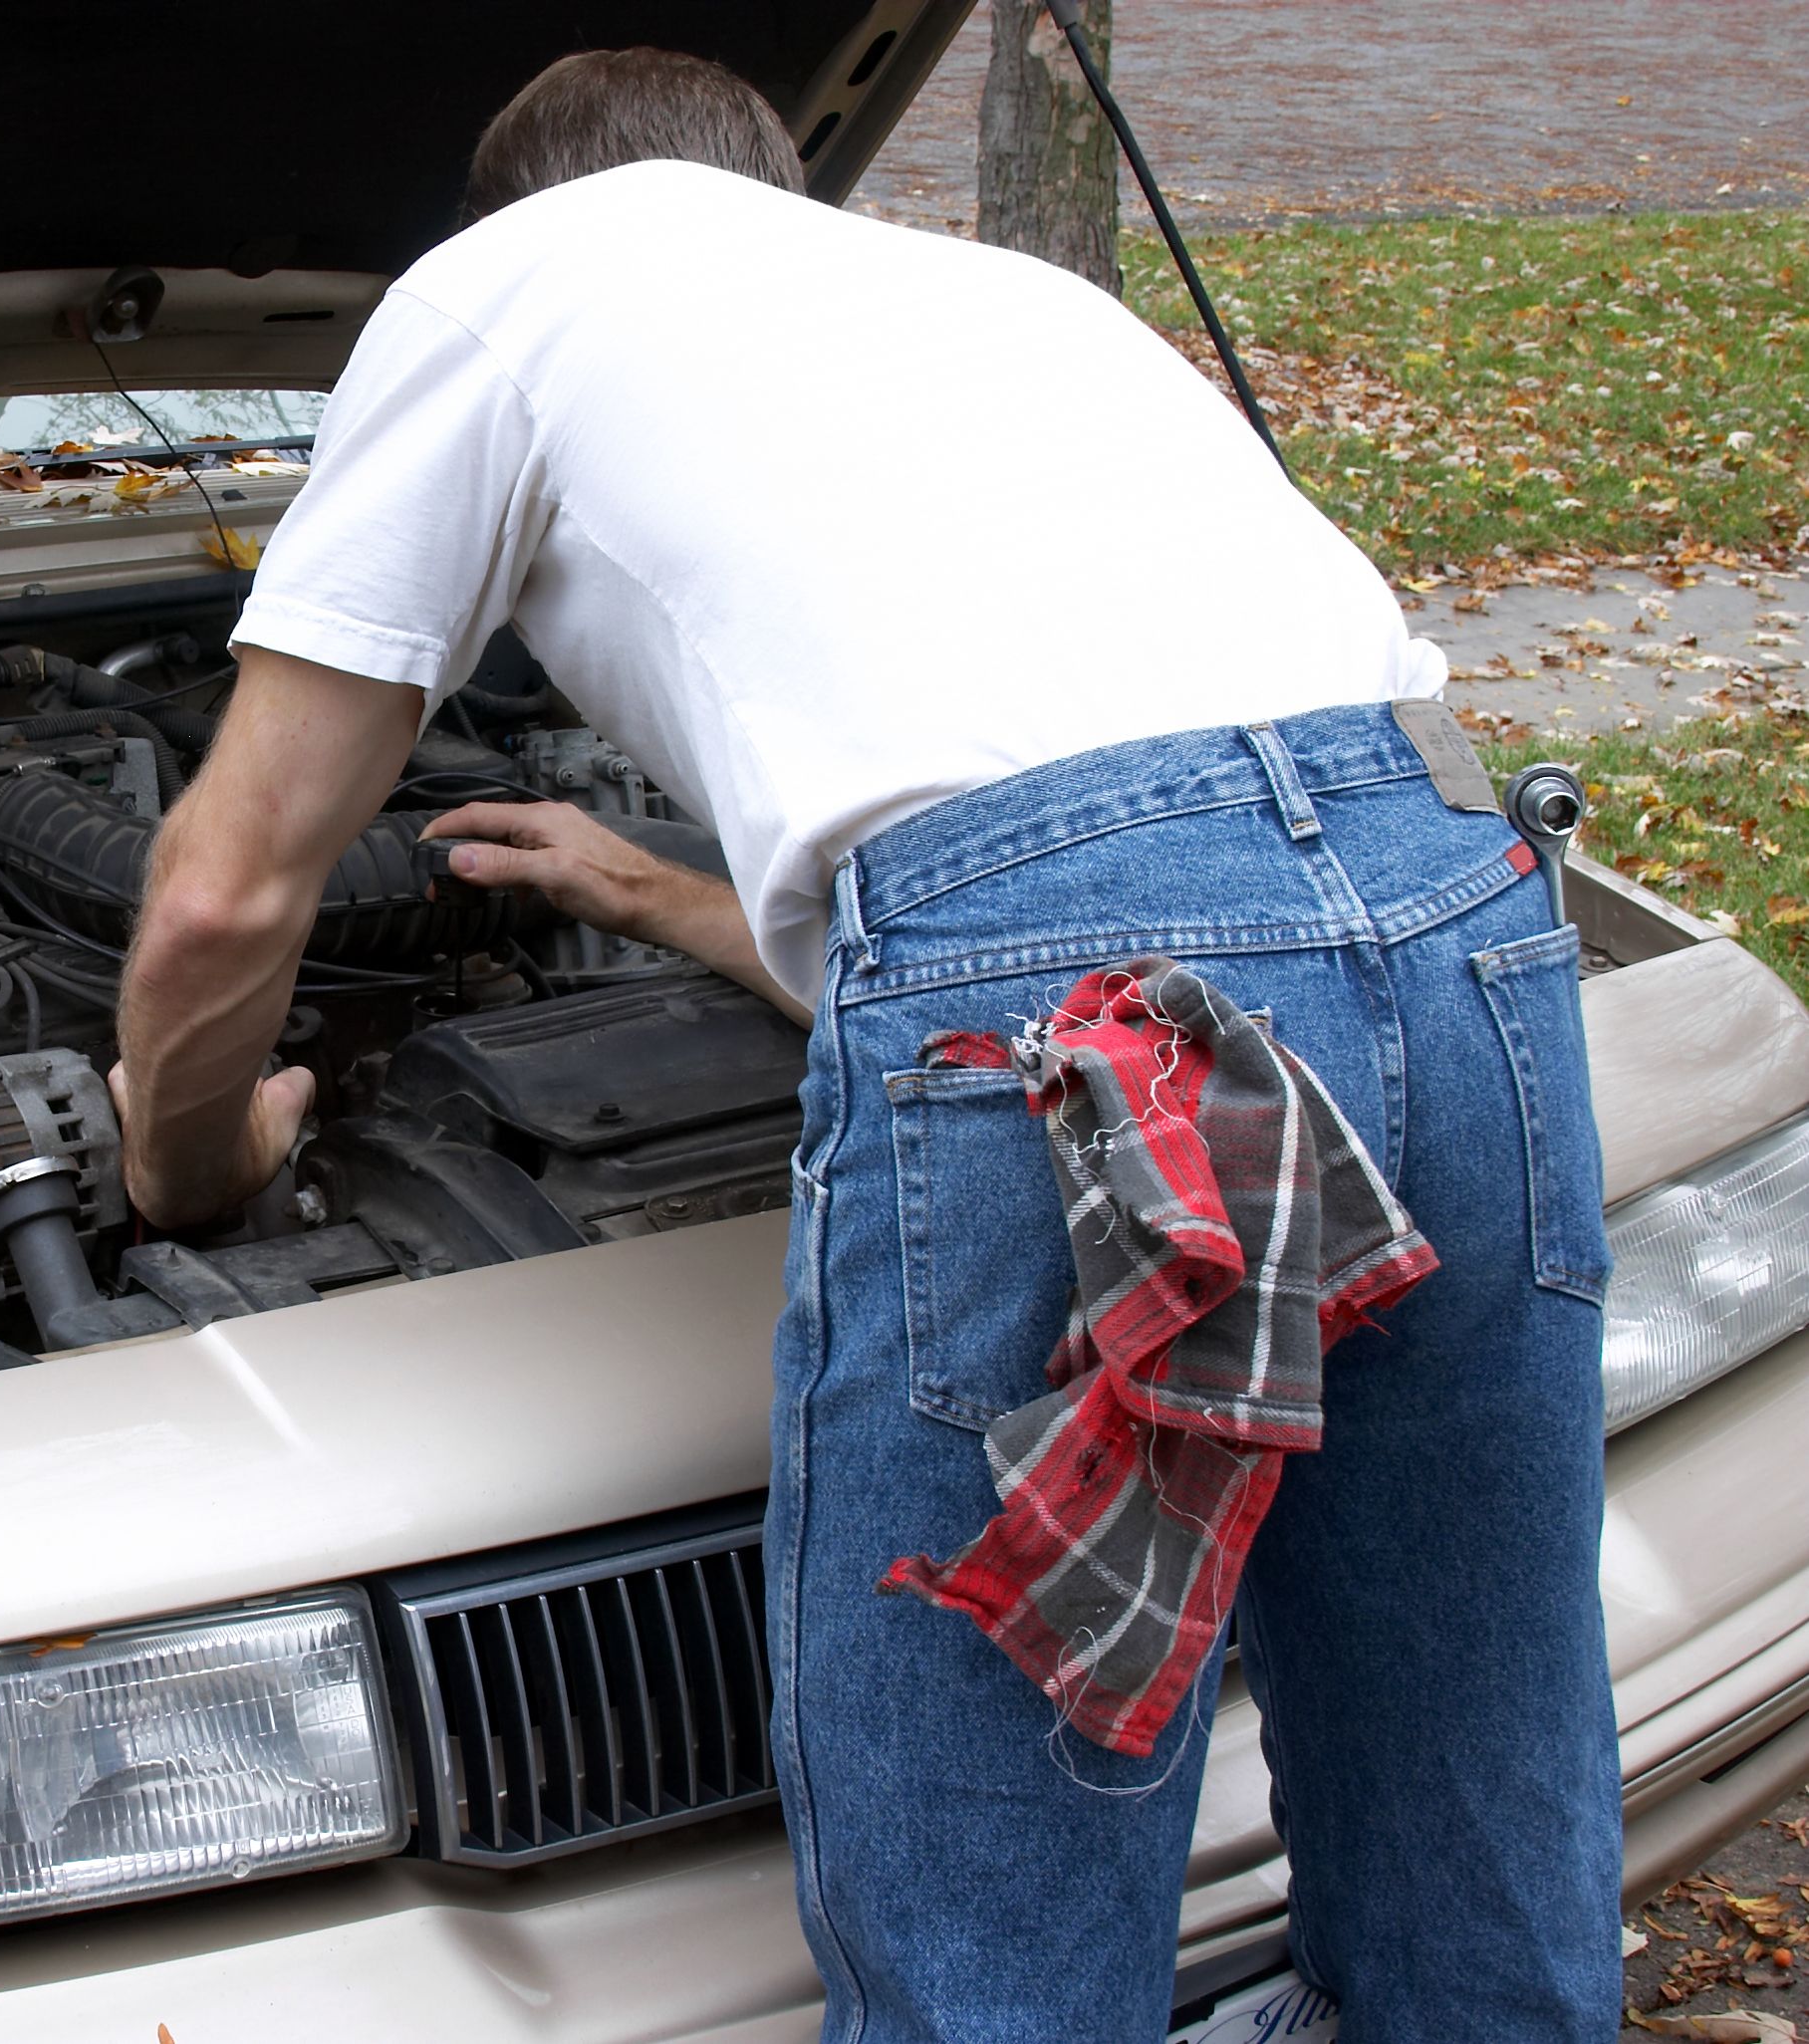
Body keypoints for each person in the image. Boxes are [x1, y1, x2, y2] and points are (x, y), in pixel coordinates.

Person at [105, 44, 1621, 2044]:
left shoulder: (502, 283)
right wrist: (651, 892)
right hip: (1451, 901)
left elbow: (220, 895)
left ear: (506, 212)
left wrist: (180, 1156)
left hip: (1054, 979)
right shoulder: (1014, 300)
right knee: (1468, 1735)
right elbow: (1171, 861)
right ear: (778, 187)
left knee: (997, 1857)